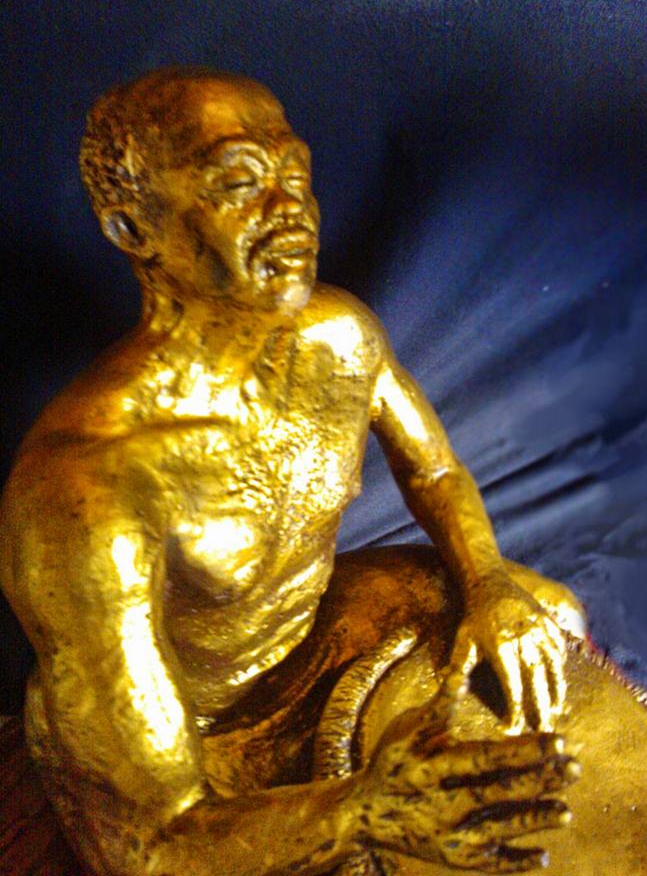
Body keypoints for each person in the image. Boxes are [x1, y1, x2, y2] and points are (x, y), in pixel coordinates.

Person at [0, 68, 584, 875]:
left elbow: (436, 473)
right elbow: (158, 843)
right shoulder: (81, 490)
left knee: (549, 622)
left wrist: (487, 584)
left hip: (312, 641)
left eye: (295, 174)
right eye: (239, 182)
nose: (291, 209)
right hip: (182, 753)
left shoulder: (337, 337)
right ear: (133, 227)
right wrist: (365, 810)